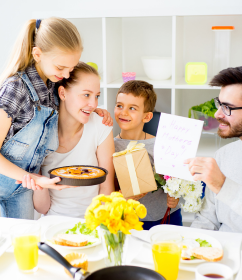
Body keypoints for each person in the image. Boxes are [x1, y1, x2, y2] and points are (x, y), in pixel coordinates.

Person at [0, 18, 111, 219]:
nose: (66, 74)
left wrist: (94, 109)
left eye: (71, 68)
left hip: (23, 191)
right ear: (37, 54)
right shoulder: (15, 89)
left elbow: (75, 100)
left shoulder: (52, 86)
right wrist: (32, 178)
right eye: (61, 67)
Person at [185, 64, 242, 239]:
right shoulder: (224, 154)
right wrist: (191, 248)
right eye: (219, 104)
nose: (217, 114)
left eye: (227, 107)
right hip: (220, 257)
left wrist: (223, 185)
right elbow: (207, 220)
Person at [29, 62, 114, 218]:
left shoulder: (100, 126)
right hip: (54, 221)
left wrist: (96, 226)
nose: (93, 104)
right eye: (86, 95)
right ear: (62, 93)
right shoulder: (42, 132)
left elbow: (106, 189)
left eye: (96, 96)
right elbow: (42, 207)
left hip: (94, 220)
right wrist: (38, 181)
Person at [114, 80, 182, 230]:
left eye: (132, 108)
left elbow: (177, 180)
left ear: (147, 117)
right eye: (119, 105)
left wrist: (175, 195)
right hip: (129, 220)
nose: (123, 112)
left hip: (166, 217)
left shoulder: (161, 145)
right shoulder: (109, 147)